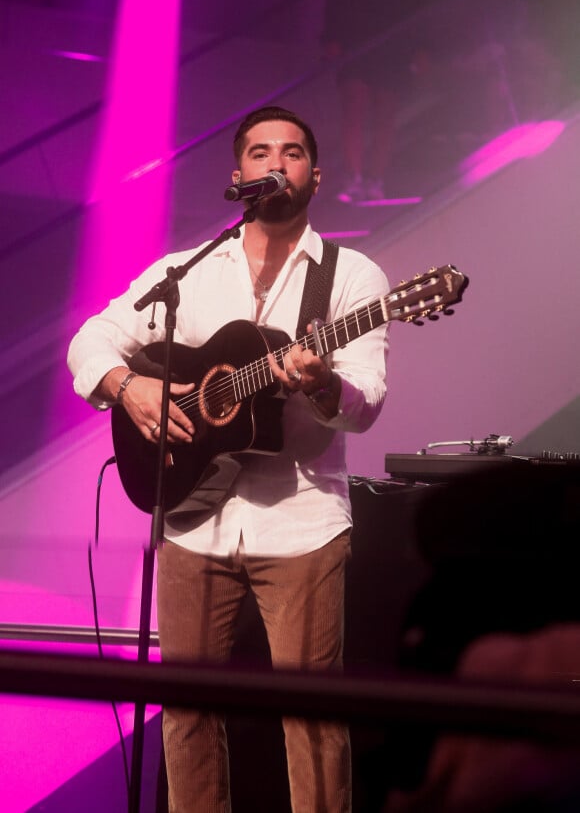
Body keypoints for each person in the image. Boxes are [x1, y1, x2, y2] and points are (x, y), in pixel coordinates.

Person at [67, 105, 389, 812]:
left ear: (315, 173)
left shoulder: (351, 275)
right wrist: (130, 387)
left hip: (302, 522)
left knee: (311, 721)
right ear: (238, 174)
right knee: (186, 716)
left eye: (294, 151)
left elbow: (366, 398)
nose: (277, 162)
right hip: (190, 520)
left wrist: (321, 381)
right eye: (261, 151)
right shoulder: (188, 271)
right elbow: (90, 339)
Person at [322, 0, 431, 203]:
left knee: (385, 112)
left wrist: (421, 48)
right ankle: (353, 177)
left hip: (393, 46)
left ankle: (375, 178)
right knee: (354, 105)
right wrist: (331, 38)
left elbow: (419, 4)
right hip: (355, 42)